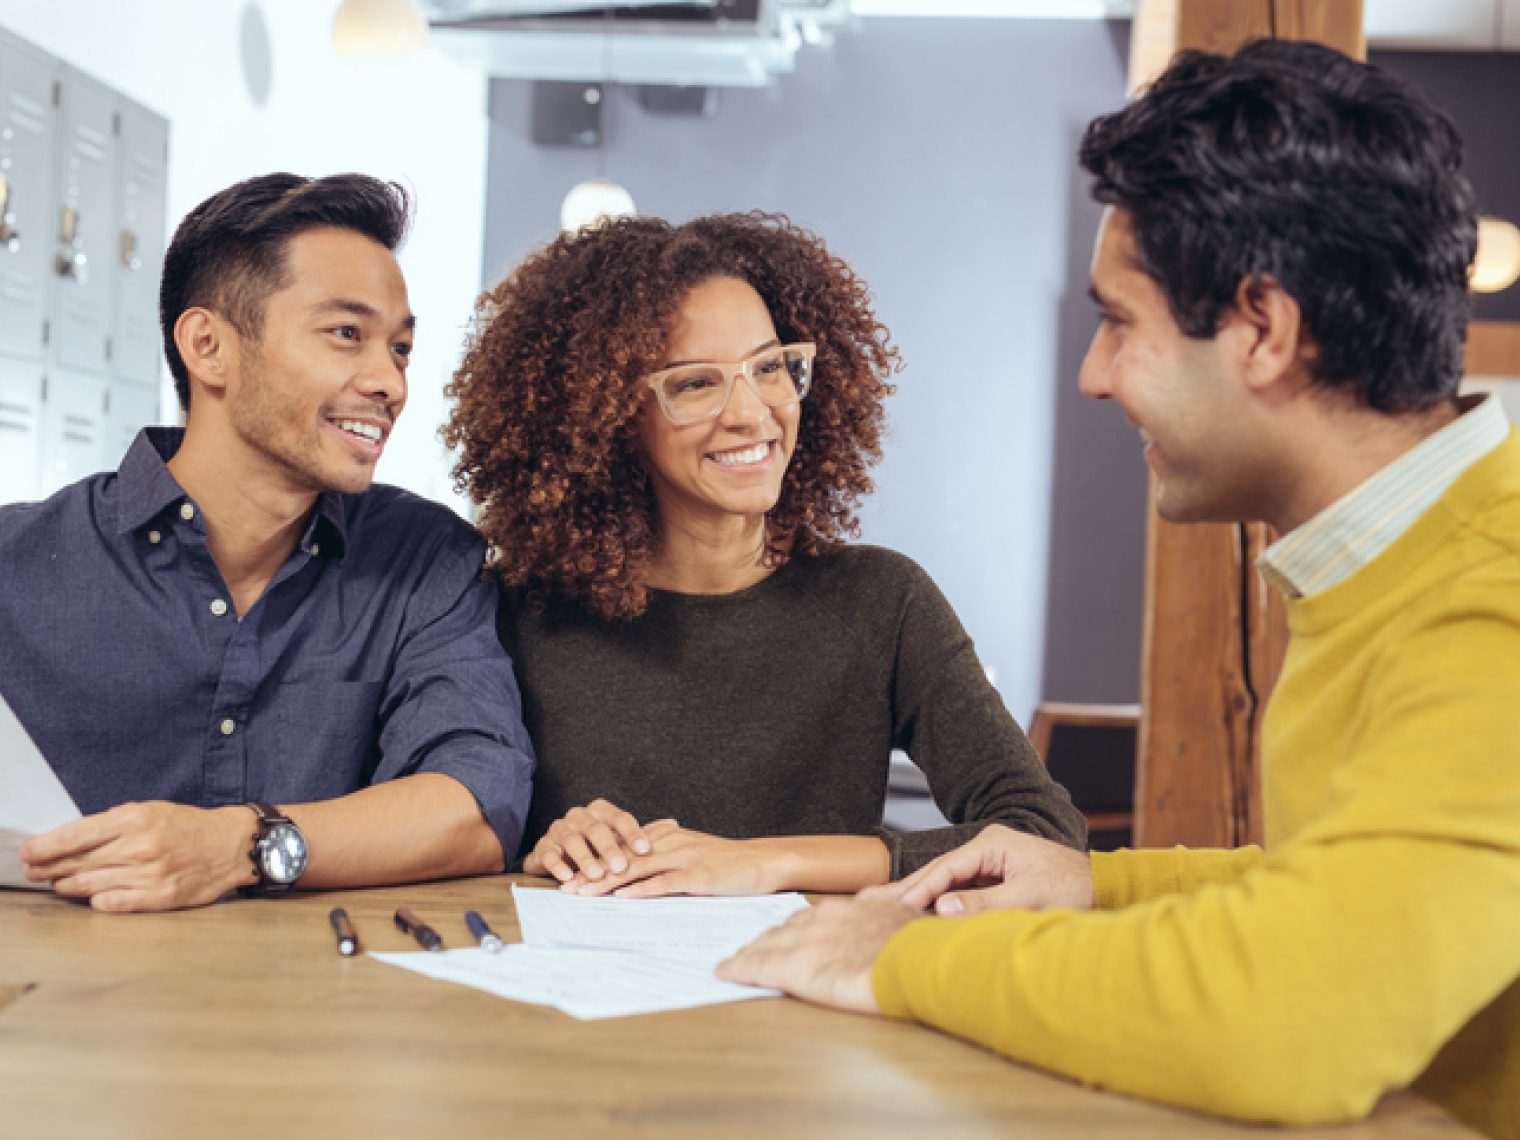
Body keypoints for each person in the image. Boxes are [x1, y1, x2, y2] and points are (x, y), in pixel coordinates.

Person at [719, 40, 1520, 1140]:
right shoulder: (1412, 561)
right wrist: (1091, 885)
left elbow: (1287, 1011)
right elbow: (1338, 886)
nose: (1093, 375)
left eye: (1118, 321)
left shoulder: (1492, 602)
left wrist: (911, 955)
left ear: (1261, 330)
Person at [444, 212, 1085, 897]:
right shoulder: (517, 613)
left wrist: (764, 862)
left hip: (803, 991)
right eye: (695, 382)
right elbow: (452, 831)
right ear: (603, 417)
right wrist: (539, 847)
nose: (752, 413)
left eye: (771, 367)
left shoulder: (882, 603)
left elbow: (1042, 835)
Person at [4, 172, 535, 913]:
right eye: (346, 334)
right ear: (208, 346)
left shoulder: (426, 560)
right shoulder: (16, 563)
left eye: (402, 348)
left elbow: (479, 804)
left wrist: (240, 846)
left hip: (322, 1008)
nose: (390, 382)